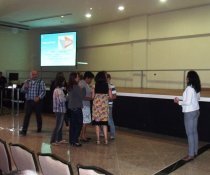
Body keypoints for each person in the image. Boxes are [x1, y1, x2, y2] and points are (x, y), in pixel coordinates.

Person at [174, 70, 201, 161]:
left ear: (190, 78)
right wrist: (181, 98)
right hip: (196, 111)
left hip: (189, 113)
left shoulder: (189, 88)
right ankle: (195, 151)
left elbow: (187, 102)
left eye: (187, 77)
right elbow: (195, 98)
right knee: (194, 132)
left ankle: (190, 155)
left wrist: (179, 102)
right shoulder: (195, 88)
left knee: (190, 134)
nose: (186, 79)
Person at [20, 70, 46, 136]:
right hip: (29, 101)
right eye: (33, 74)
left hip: (37, 102)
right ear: (30, 75)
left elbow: (43, 91)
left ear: (37, 75)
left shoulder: (41, 82)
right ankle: (24, 131)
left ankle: (39, 128)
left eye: (35, 74)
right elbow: (22, 91)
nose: (34, 76)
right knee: (27, 116)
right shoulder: (27, 81)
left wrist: (39, 97)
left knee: (38, 115)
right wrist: (25, 87)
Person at [92, 71, 112, 145]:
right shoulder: (108, 86)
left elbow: (92, 97)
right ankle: (106, 140)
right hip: (104, 107)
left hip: (96, 107)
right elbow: (110, 97)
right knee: (104, 124)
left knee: (97, 124)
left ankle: (98, 140)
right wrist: (104, 97)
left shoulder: (94, 86)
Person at [66, 72, 84, 147]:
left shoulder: (69, 86)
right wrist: (81, 88)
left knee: (73, 125)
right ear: (75, 78)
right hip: (77, 108)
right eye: (77, 77)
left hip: (71, 108)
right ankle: (75, 140)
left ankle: (71, 140)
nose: (78, 78)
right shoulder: (76, 86)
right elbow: (81, 95)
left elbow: (69, 97)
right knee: (79, 124)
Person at [50, 73, 67, 145]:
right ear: (61, 82)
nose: (64, 82)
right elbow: (62, 100)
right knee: (58, 125)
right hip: (60, 110)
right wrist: (67, 96)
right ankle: (53, 140)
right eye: (63, 81)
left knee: (60, 125)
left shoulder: (57, 89)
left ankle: (59, 139)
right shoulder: (59, 91)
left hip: (58, 110)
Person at [79, 71, 94, 142]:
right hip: (84, 105)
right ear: (87, 78)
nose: (91, 81)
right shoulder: (82, 84)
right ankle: (82, 136)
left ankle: (83, 135)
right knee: (85, 122)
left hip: (86, 105)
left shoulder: (86, 84)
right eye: (91, 79)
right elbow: (81, 96)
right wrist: (91, 98)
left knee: (85, 121)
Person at [107, 73, 117, 139]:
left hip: (109, 105)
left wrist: (107, 98)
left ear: (110, 79)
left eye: (108, 79)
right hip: (102, 105)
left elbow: (114, 96)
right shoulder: (102, 86)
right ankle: (102, 132)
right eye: (106, 79)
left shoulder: (112, 86)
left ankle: (112, 134)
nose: (107, 80)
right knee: (102, 120)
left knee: (110, 120)